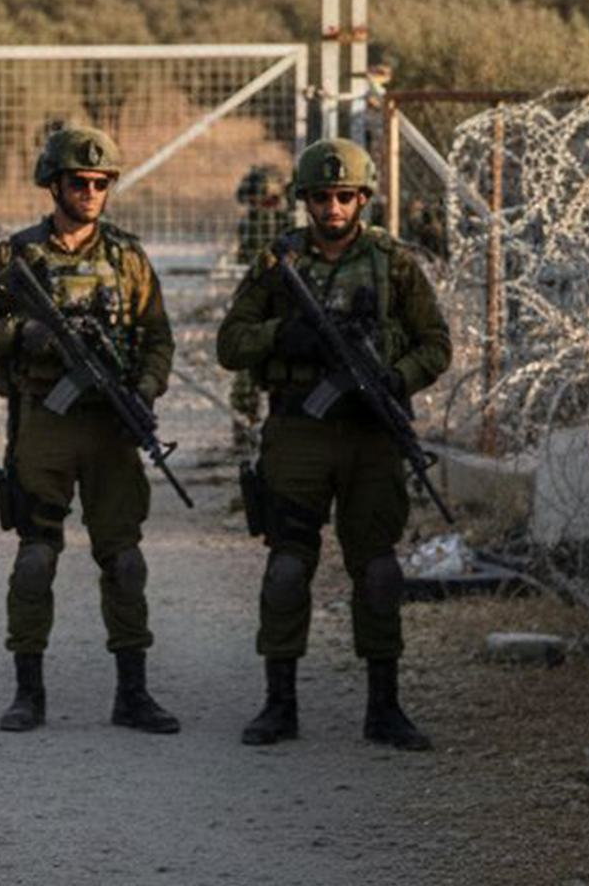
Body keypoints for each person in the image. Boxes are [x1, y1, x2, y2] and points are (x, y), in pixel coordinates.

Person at [216, 138, 452, 751]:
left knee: (378, 570)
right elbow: (231, 343)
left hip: (372, 434)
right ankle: (279, 705)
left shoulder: (393, 263)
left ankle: (384, 707)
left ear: (362, 198)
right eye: (321, 197)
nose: (333, 208)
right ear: (305, 201)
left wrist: (395, 379)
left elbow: (435, 344)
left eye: (344, 196)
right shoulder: (280, 263)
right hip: (299, 430)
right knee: (287, 567)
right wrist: (283, 334)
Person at [0, 125, 181, 736]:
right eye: (79, 182)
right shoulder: (17, 258)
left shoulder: (127, 259)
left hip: (111, 426)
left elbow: (158, 338)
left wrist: (145, 388)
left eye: (101, 183)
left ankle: (133, 693)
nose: (90, 192)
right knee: (35, 558)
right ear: (53, 184)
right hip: (45, 423)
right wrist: (22, 333)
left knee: (124, 561)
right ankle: (28, 693)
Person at [230, 164, 289, 451]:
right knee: (246, 379)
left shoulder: (288, 226)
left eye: (269, 202)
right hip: (255, 307)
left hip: (285, 306)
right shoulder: (250, 226)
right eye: (257, 202)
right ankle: (245, 432)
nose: (263, 208)